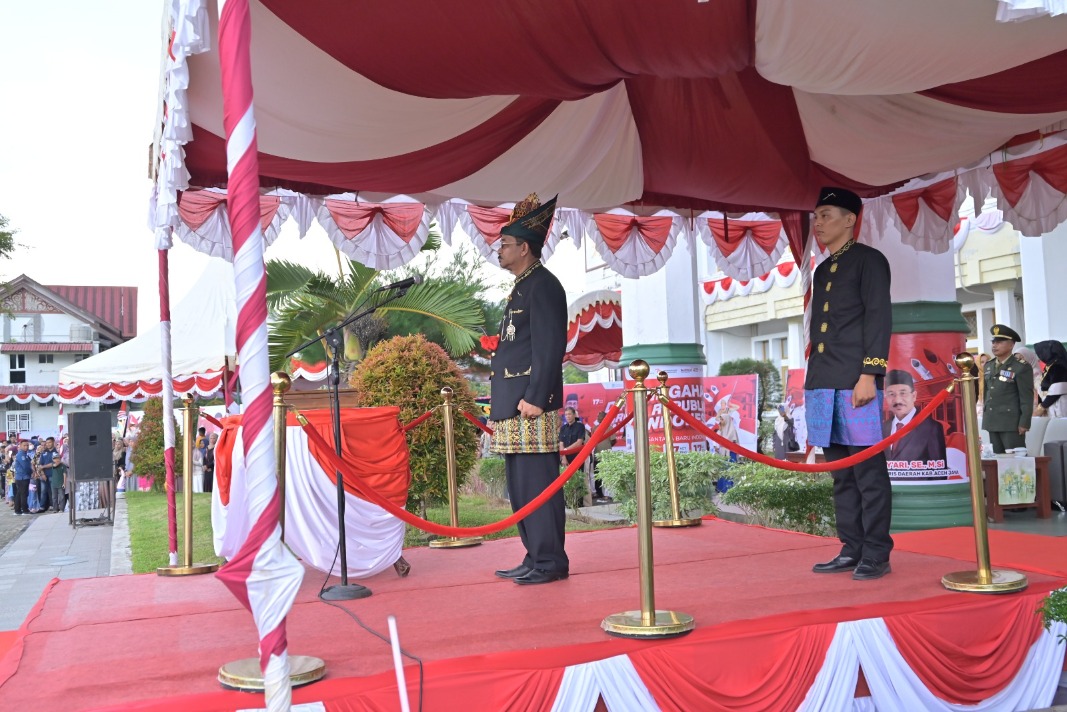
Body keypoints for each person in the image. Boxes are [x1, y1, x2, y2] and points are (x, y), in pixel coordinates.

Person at [805, 187, 894, 581]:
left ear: (850, 219)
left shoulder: (869, 261)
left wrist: (869, 374)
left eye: (826, 214)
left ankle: (876, 552)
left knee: (868, 473)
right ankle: (851, 546)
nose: (818, 223)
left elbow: (878, 317)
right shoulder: (823, 269)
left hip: (857, 382)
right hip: (824, 382)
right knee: (841, 471)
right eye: (817, 216)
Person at [488, 193, 569, 586]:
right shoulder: (522, 286)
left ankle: (550, 560)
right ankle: (534, 554)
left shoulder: (544, 286)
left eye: (505, 244)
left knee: (539, 485)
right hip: (512, 405)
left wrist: (536, 398)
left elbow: (550, 347)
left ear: (524, 247)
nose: (499, 250)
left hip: (531, 405)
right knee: (521, 487)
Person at [981, 324, 1034, 454]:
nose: (994, 345)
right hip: (992, 421)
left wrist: (1024, 422)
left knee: (1015, 465)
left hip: (1012, 423)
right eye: (993, 342)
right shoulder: (989, 366)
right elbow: (988, 392)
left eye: (999, 342)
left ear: (1011, 345)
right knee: (996, 462)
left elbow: (1026, 397)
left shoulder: (1020, 367)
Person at [883, 370, 946, 463]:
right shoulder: (884, 428)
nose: (897, 400)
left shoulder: (931, 428)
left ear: (914, 396)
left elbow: (938, 470)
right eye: (891, 394)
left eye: (903, 393)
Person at [1034, 340, 1067, 418]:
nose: (1038, 357)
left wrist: (1042, 407)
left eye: (1039, 353)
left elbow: (1056, 391)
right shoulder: (1050, 365)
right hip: (1050, 404)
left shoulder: (1059, 366)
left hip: (1059, 405)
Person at [13, 440, 32, 515]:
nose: (26, 447)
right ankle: (25, 510)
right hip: (22, 477)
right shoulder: (21, 455)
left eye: (27, 445)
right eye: (24, 445)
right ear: (20, 446)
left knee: (19, 493)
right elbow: (26, 466)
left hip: (22, 477)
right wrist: (31, 472)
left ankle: (17, 510)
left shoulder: (25, 454)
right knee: (23, 494)